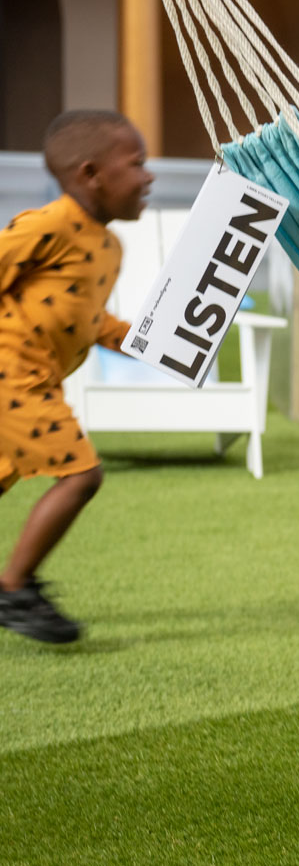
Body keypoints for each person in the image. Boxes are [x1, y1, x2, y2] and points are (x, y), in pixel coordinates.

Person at [0, 110, 153, 643]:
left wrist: (144, 339)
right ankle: (14, 589)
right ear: (91, 174)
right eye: (137, 163)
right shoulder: (45, 225)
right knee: (82, 474)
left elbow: (88, 319)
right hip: (11, 375)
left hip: (39, 380)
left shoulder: (108, 248)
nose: (148, 176)